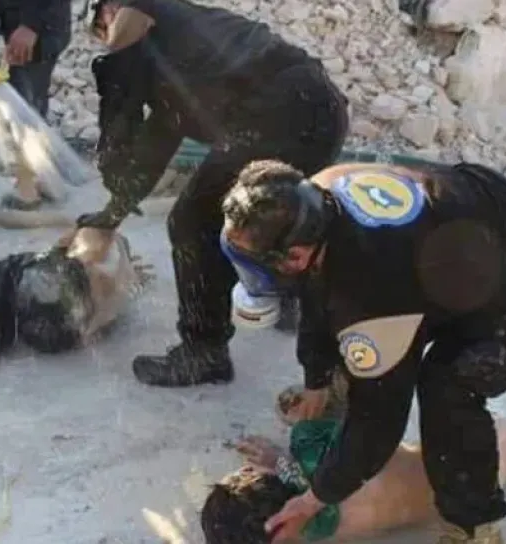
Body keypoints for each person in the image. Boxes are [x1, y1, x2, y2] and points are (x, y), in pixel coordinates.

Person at [218, 159, 506, 543]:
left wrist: (314, 498)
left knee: (448, 385)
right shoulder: (316, 197)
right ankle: (342, 441)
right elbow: (317, 291)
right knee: (357, 351)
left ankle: (474, 525)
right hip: (480, 244)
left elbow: (379, 419)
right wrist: (316, 378)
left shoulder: (370, 294)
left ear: (297, 254)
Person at [79, 0, 349, 387]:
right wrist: (114, 211)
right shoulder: (176, 59)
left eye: (101, 25)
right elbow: (159, 140)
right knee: (281, 213)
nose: (105, 36)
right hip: (319, 109)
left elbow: (124, 32)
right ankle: (286, 300)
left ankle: (204, 351)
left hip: (280, 110)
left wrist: (113, 45)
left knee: (192, 221)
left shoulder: (145, 14)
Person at [202, 415, 506, 542]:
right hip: (461, 491)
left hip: (435, 505)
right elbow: (347, 429)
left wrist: (284, 467)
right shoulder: (322, 477)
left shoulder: (314, 532)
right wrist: (284, 457)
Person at [0, 226, 153, 367]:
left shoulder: (99, 235)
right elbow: (105, 316)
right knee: (25, 323)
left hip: (41, 283)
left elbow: (63, 248)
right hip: (62, 332)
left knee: (12, 273)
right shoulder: (122, 282)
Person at [0, 0, 72, 210]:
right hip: (31, 21)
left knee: (22, 103)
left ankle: (27, 190)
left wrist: (30, 25)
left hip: (36, 24)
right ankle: (41, 178)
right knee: (33, 97)